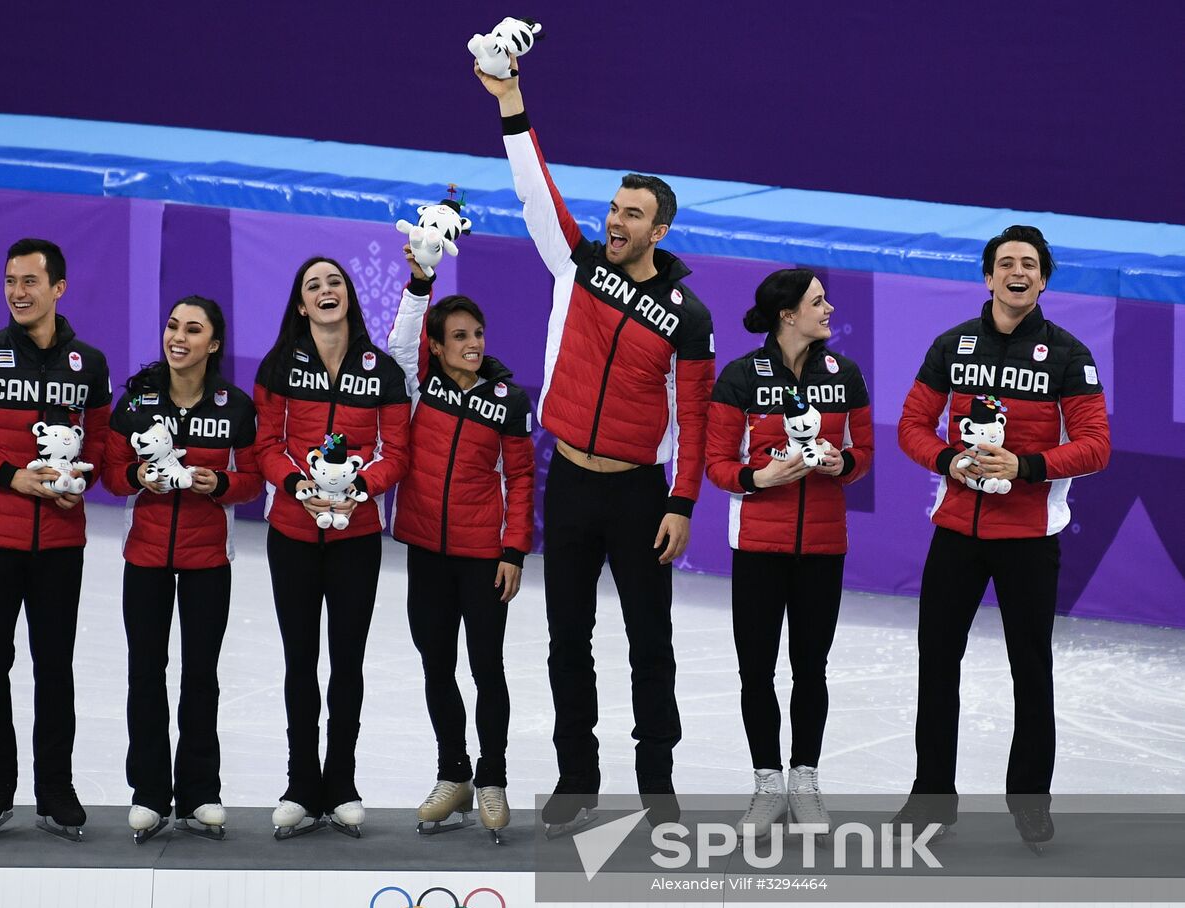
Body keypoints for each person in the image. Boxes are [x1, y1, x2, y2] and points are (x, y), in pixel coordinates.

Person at [476, 54, 716, 834]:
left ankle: (657, 786)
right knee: (565, 640)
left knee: (650, 644)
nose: (615, 222)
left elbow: (697, 414)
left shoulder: (687, 316)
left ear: (661, 229)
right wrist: (511, 99)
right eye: (613, 209)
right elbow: (533, 192)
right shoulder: (576, 265)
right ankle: (576, 777)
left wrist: (681, 503)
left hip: (639, 493)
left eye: (632, 215)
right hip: (569, 483)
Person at [895, 225, 1111, 847]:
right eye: (1006, 264)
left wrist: (1027, 466)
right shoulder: (951, 345)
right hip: (957, 533)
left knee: (1030, 668)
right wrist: (946, 461)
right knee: (937, 665)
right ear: (987, 277)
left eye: (1030, 265)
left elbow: (1096, 445)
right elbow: (913, 423)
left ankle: (1030, 800)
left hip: (1028, 537)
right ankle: (931, 796)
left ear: (1044, 280)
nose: (1018, 273)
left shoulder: (1069, 354)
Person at [0, 238, 111, 842]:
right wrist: (15, 478)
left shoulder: (90, 364)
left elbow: (103, 448)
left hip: (61, 542)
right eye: (10, 280)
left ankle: (55, 789)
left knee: (54, 665)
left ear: (58, 289)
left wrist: (77, 482)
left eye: (30, 281)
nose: (18, 292)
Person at [706, 269, 873, 840]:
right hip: (757, 545)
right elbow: (717, 464)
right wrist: (761, 476)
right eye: (818, 302)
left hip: (824, 546)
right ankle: (767, 784)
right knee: (756, 669)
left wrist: (840, 464)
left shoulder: (844, 374)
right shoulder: (739, 376)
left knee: (811, 669)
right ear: (787, 313)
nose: (828, 310)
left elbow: (863, 453)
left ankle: (804, 781)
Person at [254, 257, 411, 839]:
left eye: (334, 282)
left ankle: (340, 782)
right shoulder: (278, 367)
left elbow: (397, 451)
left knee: (347, 662)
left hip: (356, 537)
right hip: (292, 535)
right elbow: (267, 445)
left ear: (348, 296)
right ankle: (301, 783)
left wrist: (360, 491)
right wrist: (299, 487)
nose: (325, 291)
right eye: (313, 285)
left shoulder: (384, 371)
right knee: (301, 662)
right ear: (301, 305)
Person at [387, 243, 536, 843]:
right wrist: (420, 280)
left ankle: (492, 776)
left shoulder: (508, 399)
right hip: (425, 551)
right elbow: (401, 340)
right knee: (436, 666)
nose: (473, 343)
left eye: (478, 333)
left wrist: (513, 551)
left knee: (487, 669)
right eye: (459, 336)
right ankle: (454, 773)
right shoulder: (418, 385)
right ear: (438, 346)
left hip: (482, 559)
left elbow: (523, 479)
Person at [103, 296, 261, 844]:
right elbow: (109, 473)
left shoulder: (234, 406)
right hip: (144, 558)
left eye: (193, 330)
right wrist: (136, 476)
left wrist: (219, 485)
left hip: (207, 561)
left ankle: (199, 793)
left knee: (201, 676)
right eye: (172, 325)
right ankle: (148, 793)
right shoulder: (138, 399)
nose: (179, 336)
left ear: (213, 344)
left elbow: (253, 480)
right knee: (144, 673)